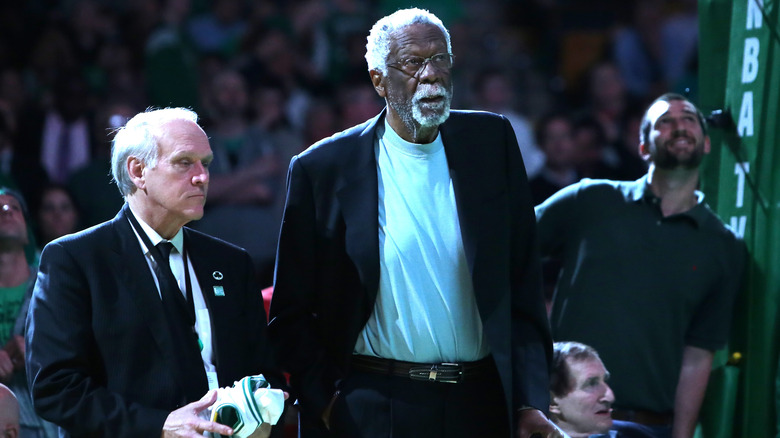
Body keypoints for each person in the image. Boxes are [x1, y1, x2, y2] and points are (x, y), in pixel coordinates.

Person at [269, 8, 560, 438]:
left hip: (480, 403)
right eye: (412, 63)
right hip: (374, 405)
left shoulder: (492, 143)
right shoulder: (322, 168)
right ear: (378, 80)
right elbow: (291, 312)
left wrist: (530, 399)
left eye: (439, 59)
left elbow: (523, 288)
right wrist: (328, 404)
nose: (430, 75)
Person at [25, 107, 284, 437]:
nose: (203, 176)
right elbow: (55, 390)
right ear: (137, 171)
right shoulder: (74, 260)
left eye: (205, 163)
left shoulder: (231, 263)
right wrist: (158, 426)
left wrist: (262, 407)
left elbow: (264, 372)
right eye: (184, 162)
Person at [536, 93, 746, 438]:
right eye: (664, 121)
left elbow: (698, 356)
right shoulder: (591, 198)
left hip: (651, 428)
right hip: (565, 425)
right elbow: (508, 249)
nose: (678, 126)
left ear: (707, 143)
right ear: (644, 148)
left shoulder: (723, 246)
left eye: (689, 119)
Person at [0, 187, 56, 438]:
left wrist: (39, 350)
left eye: (14, 207)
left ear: (27, 231)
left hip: (43, 423)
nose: (6, 211)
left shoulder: (54, 287)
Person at [550, 342, 653, 438]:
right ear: (553, 401)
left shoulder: (633, 434)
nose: (610, 396)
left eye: (605, 380)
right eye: (591, 384)